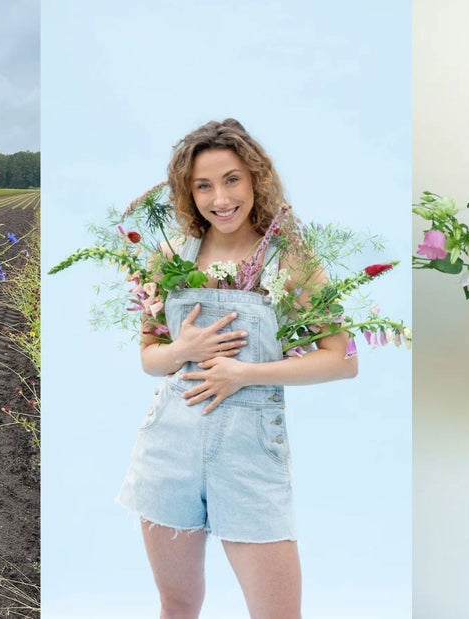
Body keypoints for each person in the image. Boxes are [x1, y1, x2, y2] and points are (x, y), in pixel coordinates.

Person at [116, 119, 358, 619]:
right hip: (169, 446)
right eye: (203, 185)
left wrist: (245, 374)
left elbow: (343, 360)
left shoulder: (291, 260)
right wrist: (183, 347)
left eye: (231, 180)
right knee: (178, 603)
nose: (220, 198)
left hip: (250, 454)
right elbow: (149, 357)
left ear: (255, 180)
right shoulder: (169, 257)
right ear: (189, 193)